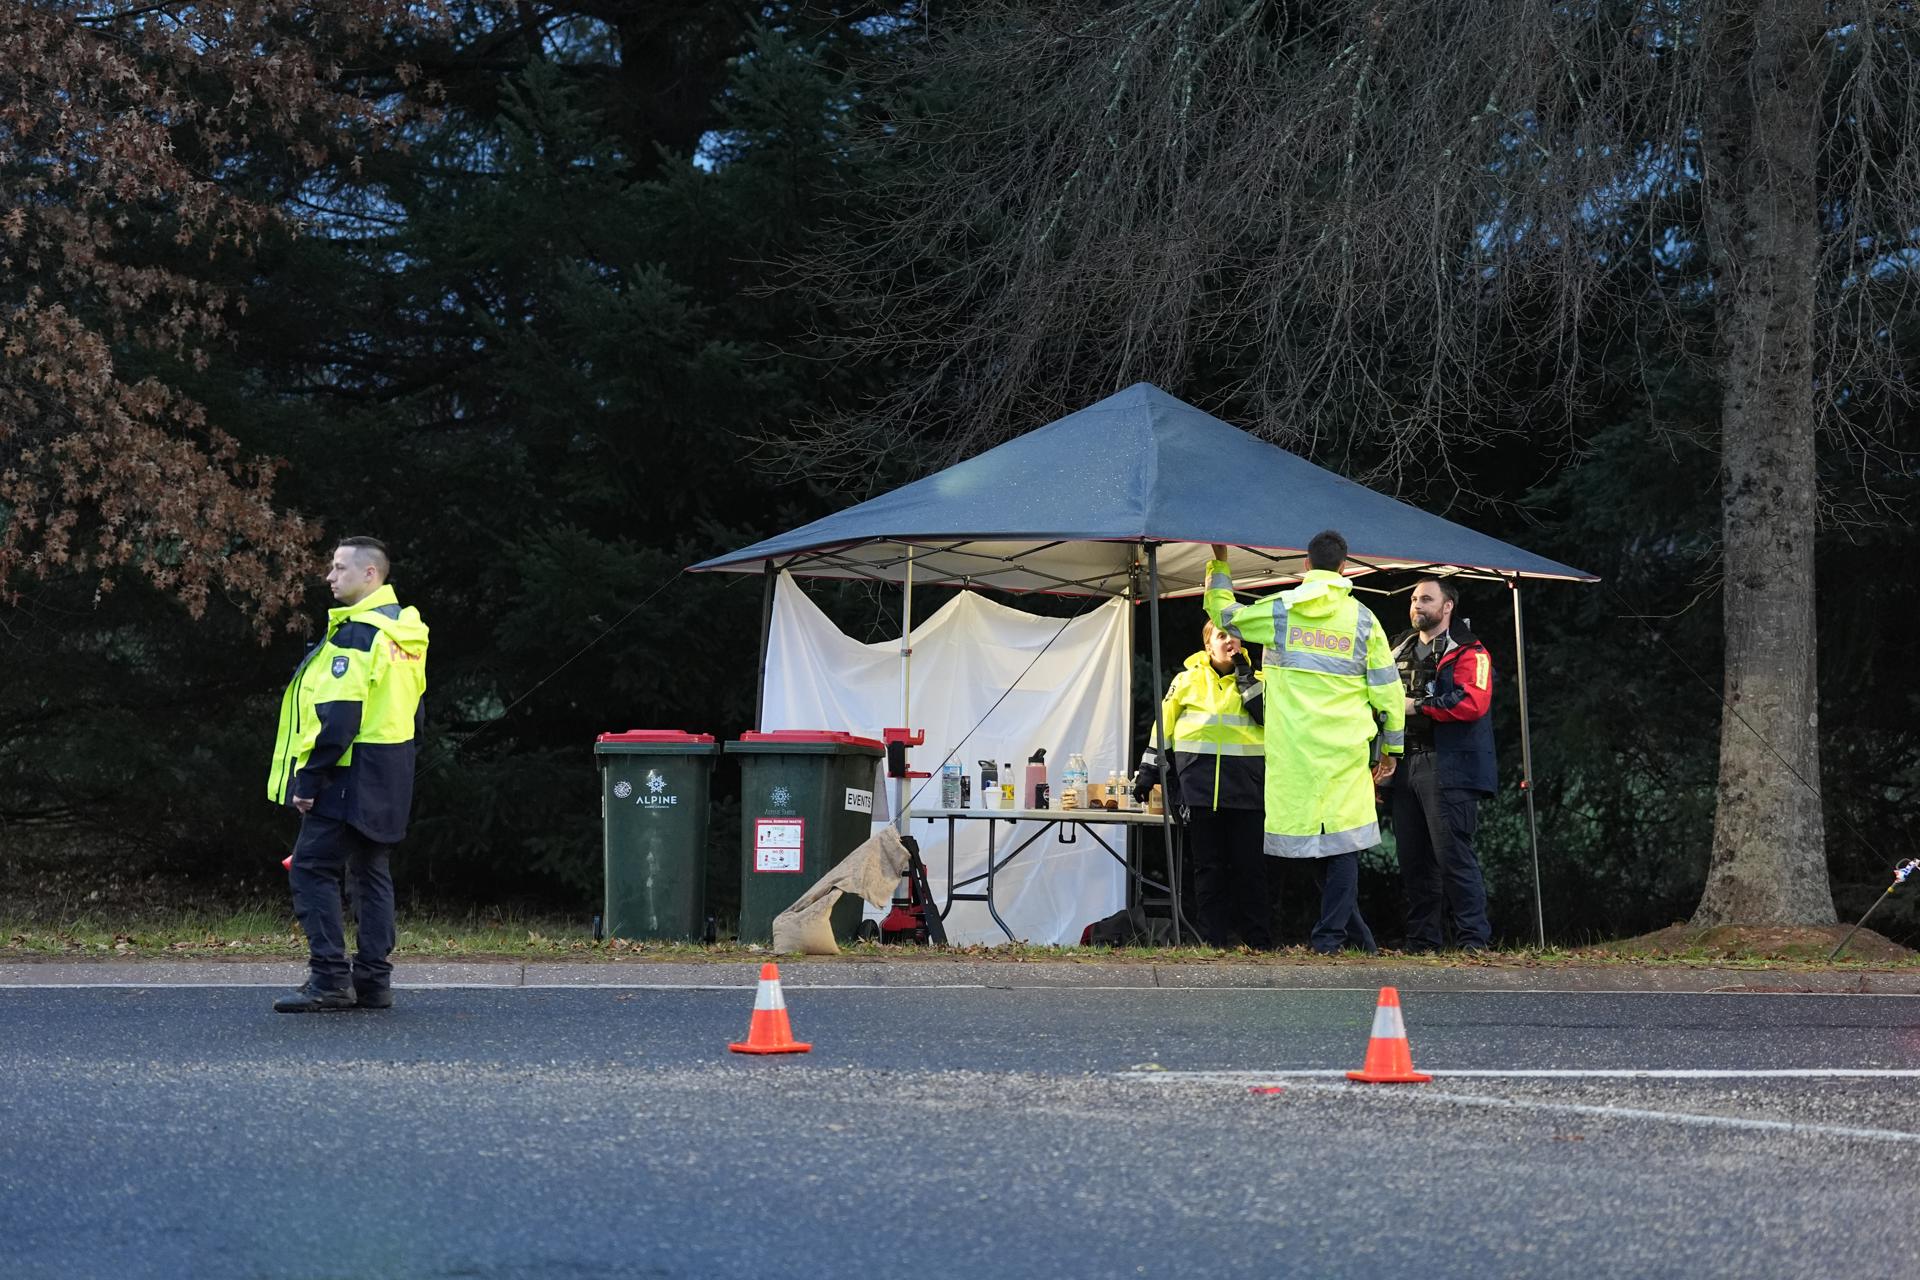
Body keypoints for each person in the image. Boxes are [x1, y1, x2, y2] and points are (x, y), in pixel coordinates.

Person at [1204, 532, 1404, 954]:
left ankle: (1333, 940)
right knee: (1342, 845)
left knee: (1323, 850)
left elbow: (1223, 615)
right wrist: (1392, 749)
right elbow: (1388, 690)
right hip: (1346, 750)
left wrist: (1219, 564)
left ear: (1307, 567)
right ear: (1345, 568)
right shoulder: (1364, 620)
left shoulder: (1280, 612)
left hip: (1295, 752)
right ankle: (1348, 941)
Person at [267, 536, 430, 1012]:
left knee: (312, 869)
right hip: (390, 769)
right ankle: (374, 982)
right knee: (370, 871)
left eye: (339, 568)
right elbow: (418, 711)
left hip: (347, 771)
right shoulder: (405, 631)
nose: (329, 576)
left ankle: (330, 980)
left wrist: (309, 781)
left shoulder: (358, 634)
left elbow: (339, 715)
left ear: (369, 576)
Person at [1133, 620, 1272, 948]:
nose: (1230, 641)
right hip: (1199, 790)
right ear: (1208, 645)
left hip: (1247, 789)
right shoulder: (1186, 681)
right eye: (1221, 636)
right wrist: (1146, 773)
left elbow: (1265, 715)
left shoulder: (1262, 680)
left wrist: (1244, 674)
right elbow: (1162, 727)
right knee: (1207, 870)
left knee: (1249, 869)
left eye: (1235, 635)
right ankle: (1212, 942)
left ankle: (1259, 942)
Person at [1390, 576, 1495, 952]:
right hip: (1402, 764)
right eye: (1415, 599)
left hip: (1447, 765)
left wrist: (1417, 706)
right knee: (1413, 861)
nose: (1417, 605)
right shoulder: (1396, 648)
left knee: (1453, 857)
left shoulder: (1471, 652)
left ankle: (1473, 942)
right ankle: (1422, 943)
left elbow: (1473, 703)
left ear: (1447, 606)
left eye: (1426, 599)